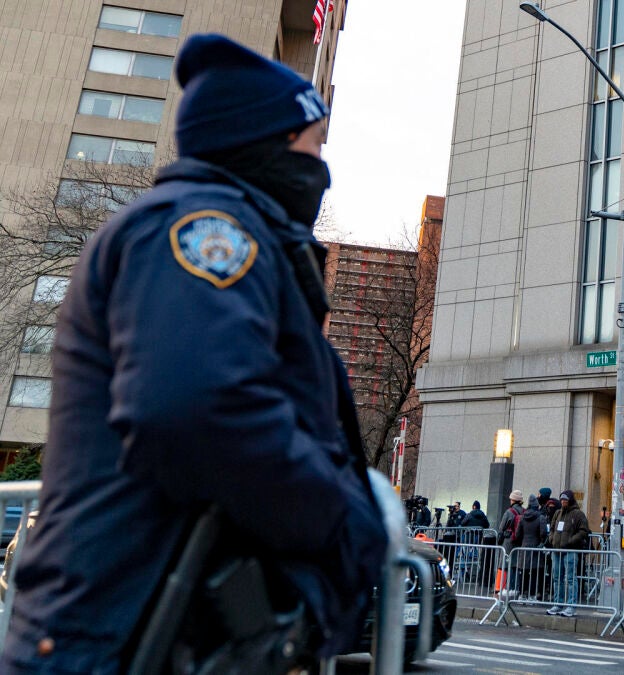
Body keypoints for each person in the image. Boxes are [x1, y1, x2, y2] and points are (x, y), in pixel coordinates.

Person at [0, 34, 390, 673]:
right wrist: (341, 514)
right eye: (315, 143)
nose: (322, 165)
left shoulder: (218, 230)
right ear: (265, 140)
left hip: (149, 627)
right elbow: (196, 407)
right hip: (124, 634)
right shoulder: (203, 230)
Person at [546, 490, 590, 617]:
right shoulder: (558, 513)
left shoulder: (578, 514)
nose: (563, 501)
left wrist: (571, 541)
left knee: (570, 578)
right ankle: (558, 603)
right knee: (557, 578)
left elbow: (583, 531)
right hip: (557, 550)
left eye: (565, 499)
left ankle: (571, 605)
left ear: (570, 500)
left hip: (570, 550)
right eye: (561, 499)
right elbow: (552, 528)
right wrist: (552, 539)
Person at [511, 496, 547, 602]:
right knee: (535, 573)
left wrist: (522, 542)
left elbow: (518, 534)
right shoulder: (541, 517)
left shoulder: (522, 517)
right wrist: (541, 542)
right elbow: (543, 533)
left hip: (524, 547)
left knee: (524, 572)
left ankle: (522, 594)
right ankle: (532, 595)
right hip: (536, 548)